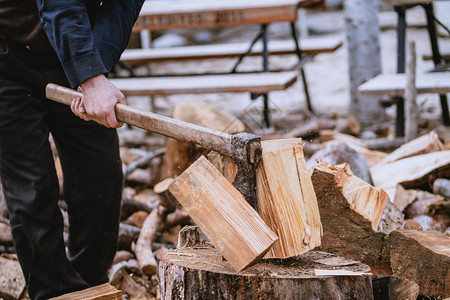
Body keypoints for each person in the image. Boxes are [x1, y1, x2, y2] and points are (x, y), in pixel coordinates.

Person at [0, 0, 145, 299]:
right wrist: (89, 79)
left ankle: (90, 285)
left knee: (101, 177)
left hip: (72, 49)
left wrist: (94, 70)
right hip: (7, 56)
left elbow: (120, 8)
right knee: (32, 189)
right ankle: (53, 292)